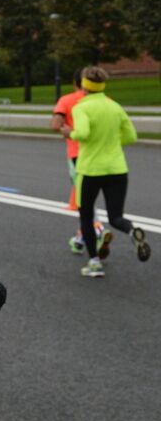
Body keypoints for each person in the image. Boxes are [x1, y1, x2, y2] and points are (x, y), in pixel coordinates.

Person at [64, 66, 150, 277]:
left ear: (83, 85)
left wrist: (70, 132)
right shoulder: (115, 106)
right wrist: (110, 142)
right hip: (117, 169)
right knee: (116, 216)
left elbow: (82, 132)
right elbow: (131, 137)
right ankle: (132, 231)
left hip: (90, 169)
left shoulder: (81, 107)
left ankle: (94, 263)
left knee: (86, 215)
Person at [51, 69, 103, 254]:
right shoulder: (101, 100)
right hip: (101, 154)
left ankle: (96, 227)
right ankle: (82, 235)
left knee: (84, 198)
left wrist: (65, 128)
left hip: (77, 154)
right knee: (90, 197)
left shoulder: (67, 100)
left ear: (75, 83)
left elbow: (56, 124)